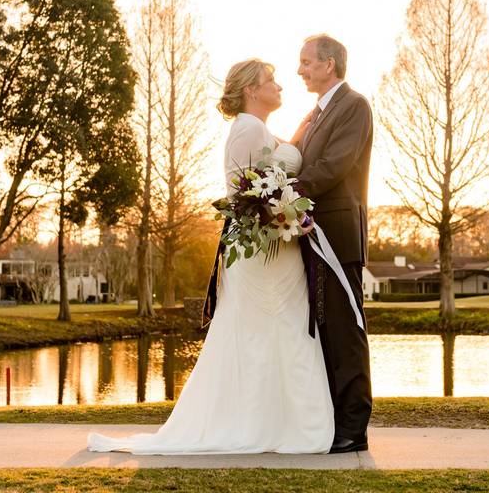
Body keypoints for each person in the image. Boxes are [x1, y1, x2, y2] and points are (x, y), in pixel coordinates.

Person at [87, 59, 334, 454]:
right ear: (251, 90)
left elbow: (268, 180)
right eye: (270, 80)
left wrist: (290, 204)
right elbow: (244, 196)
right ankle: (265, 426)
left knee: (279, 330)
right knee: (263, 332)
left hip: (277, 248)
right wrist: (288, 215)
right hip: (262, 251)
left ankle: (279, 425)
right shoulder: (247, 128)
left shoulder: (260, 129)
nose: (279, 84)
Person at [293, 34, 373, 453]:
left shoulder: (354, 106)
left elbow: (335, 165)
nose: (300, 69)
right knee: (322, 331)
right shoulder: (314, 113)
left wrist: (289, 191)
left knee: (345, 330)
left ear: (329, 63)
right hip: (311, 234)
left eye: (306, 62)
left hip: (338, 236)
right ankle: (330, 422)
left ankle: (354, 429)